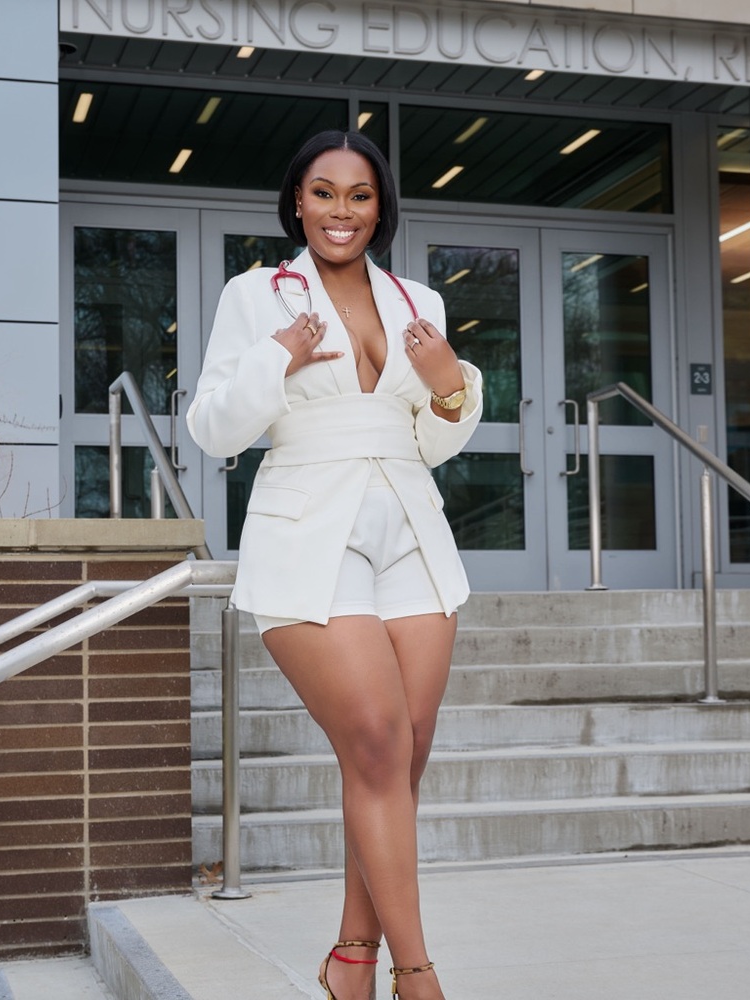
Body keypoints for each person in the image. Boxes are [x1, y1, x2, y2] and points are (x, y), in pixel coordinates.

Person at [187, 129, 483, 1000]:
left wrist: (449, 383)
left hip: (410, 525)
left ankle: (352, 956)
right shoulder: (255, 296)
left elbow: (434, 440)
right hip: (308, 522)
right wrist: (276, 361)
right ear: (297, 203)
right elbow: (212, 430)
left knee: (401, 755)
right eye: (324, 193)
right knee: (379, 742)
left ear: (380, 207)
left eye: (358, 195)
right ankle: (418, 975)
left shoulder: (414, 297)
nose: (341, 211)